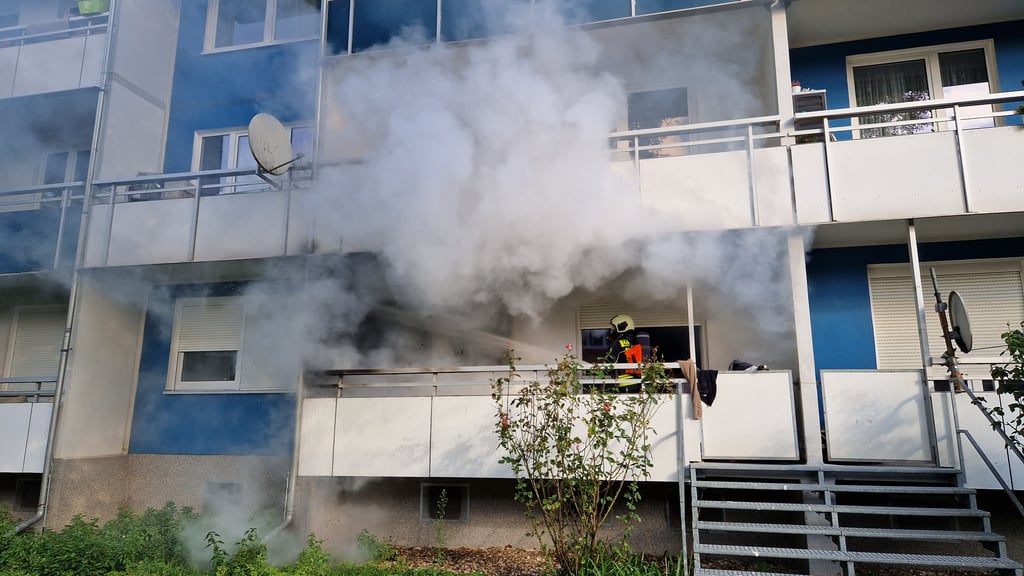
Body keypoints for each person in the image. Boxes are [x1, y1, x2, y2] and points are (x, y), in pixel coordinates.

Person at [605, 314, 644, 392]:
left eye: (614, 327)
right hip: (637, 383)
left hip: (622, 384)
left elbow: (609, 364)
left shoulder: (617, 343)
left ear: (621, 326)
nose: (612, 330)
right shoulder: (634, 342)